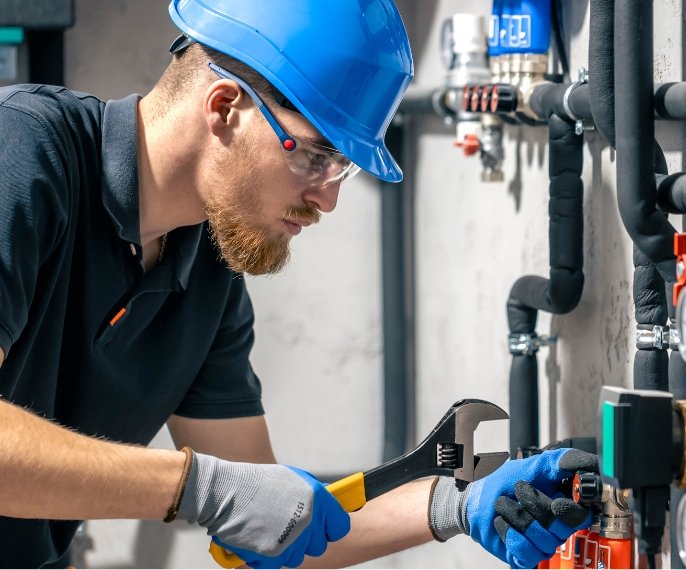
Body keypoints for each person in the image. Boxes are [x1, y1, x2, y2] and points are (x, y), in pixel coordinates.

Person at [0, 1, 598, 567]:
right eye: (317, 156)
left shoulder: (207, 275)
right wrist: (198, 488)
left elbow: (270, 526)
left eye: (343, 168)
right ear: (224, 106)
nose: (328, 199)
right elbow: (224, 495)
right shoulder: (23, 154)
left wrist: (454, 506)